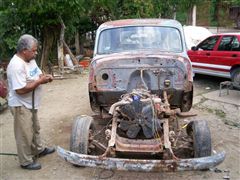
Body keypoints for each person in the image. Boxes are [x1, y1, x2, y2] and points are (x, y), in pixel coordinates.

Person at [7, 34, 55, 170]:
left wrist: (45, 77)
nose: (36, 53)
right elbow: (20, 90)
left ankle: (38, 149)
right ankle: (26, 161)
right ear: (24, 51)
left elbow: (38, 74)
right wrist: (40, 81)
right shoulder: (16, 65)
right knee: (24, 134)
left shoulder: (30, 60)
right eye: (34, 50)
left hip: (31, 103)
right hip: (20, 105)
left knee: (35, 128)